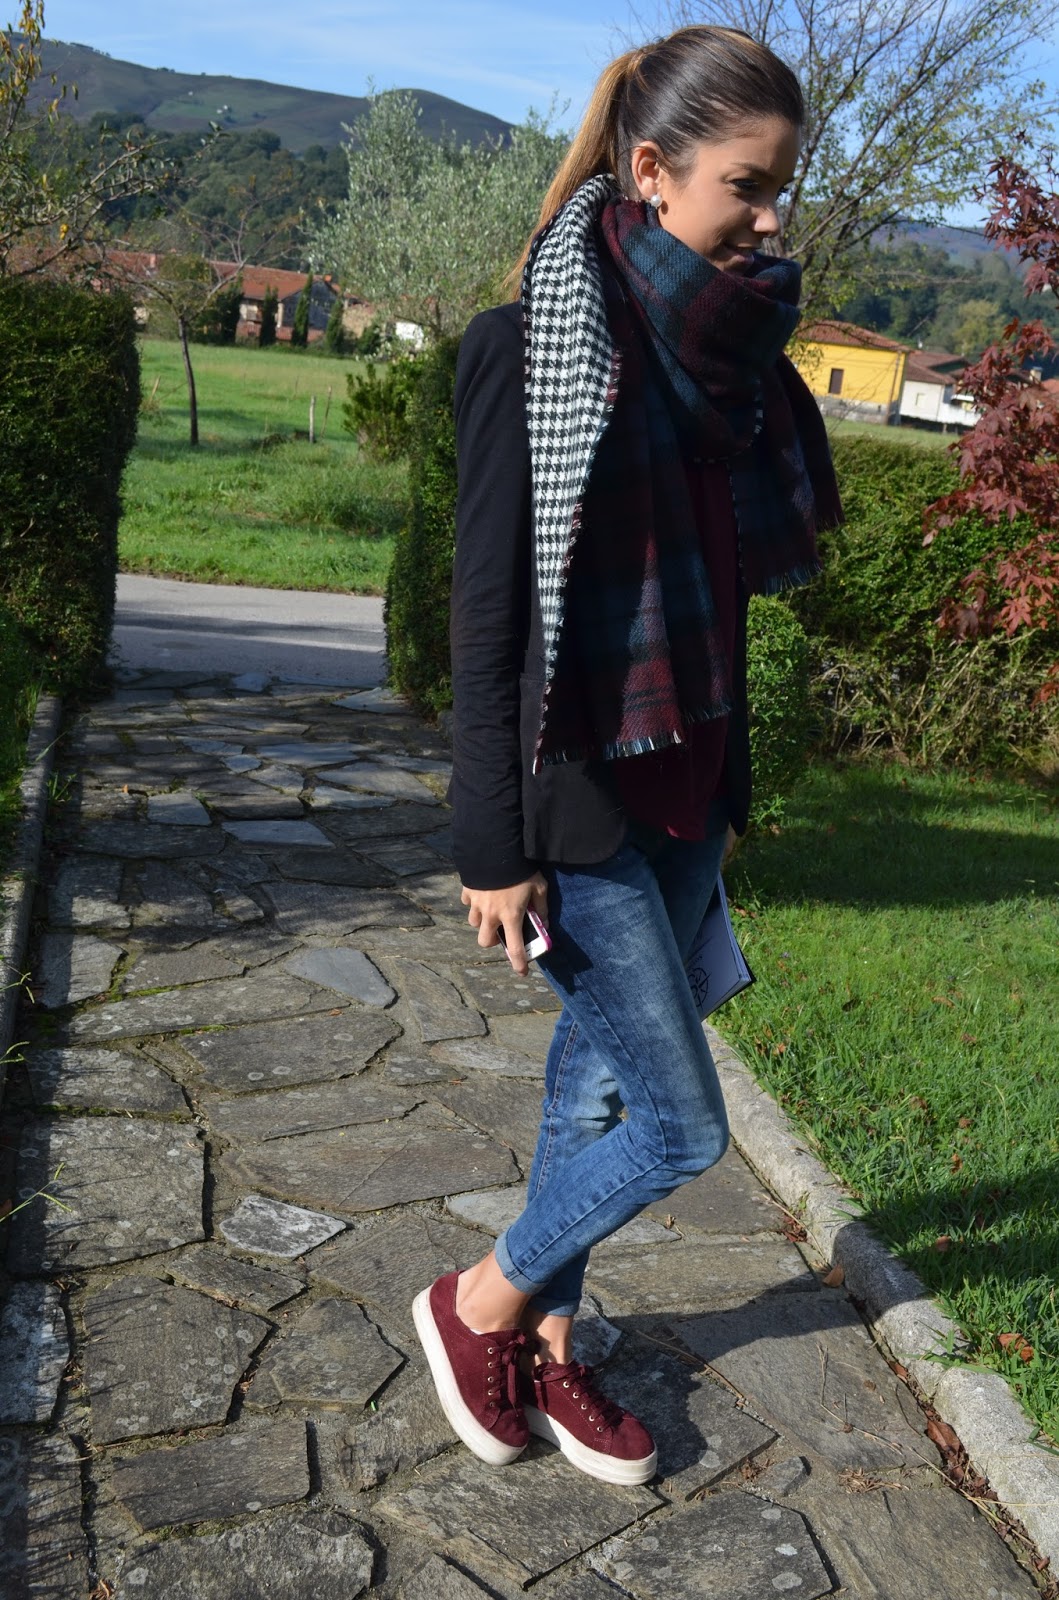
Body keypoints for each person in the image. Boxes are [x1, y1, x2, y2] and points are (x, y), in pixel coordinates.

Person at [413, 23, 842, 1487]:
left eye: (781, 186)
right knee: (678, 1125)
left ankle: (548, 1343)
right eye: (749, 185)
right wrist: (490, 844)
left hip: (692, 783)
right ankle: (479, 1303)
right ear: (652, 170)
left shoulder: (735, 361)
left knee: (592, 1094)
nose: (772, 218)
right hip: (581, 799)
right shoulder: (527, 351)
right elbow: (489, 618)